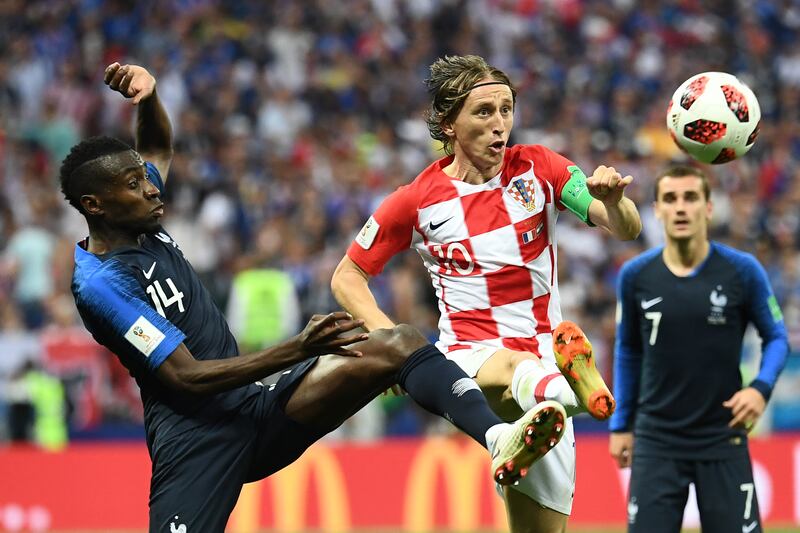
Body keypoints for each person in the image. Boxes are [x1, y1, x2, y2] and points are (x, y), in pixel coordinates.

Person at [61, 62, 568, 533]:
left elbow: (155, 147)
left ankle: (499, 440)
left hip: (258, 410)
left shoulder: (136, 217)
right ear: (94, 205)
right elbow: (186, 378)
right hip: (197, 442)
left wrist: (148, 99)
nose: (153, 189)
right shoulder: (101, 284)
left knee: (398, 342)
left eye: (145, 181)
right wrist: (298, 349)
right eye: (135, 184)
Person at [331, 54, 642, 533]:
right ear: (448, 123)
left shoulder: (541, 168)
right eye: (483, 112)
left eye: (506, 109)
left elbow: (624, 229)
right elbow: (347, 276)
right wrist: (389, 340)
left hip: (544, 357)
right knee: (521, 369)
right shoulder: (416, 200)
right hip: (468, 359)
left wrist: (615, 201)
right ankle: (578, 394)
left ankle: (555, 406)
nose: (500, 125)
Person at [609, 165, 790, 533]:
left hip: (723, 436)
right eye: (670, 199)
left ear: (708, 207)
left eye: (690, 198)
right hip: (656, 439)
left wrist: (760, 387)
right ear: (657, 209)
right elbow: (628, 351)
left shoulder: (742, 271)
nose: (680, 208)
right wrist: (620, 424)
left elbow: (777, 337)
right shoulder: (636, 277)